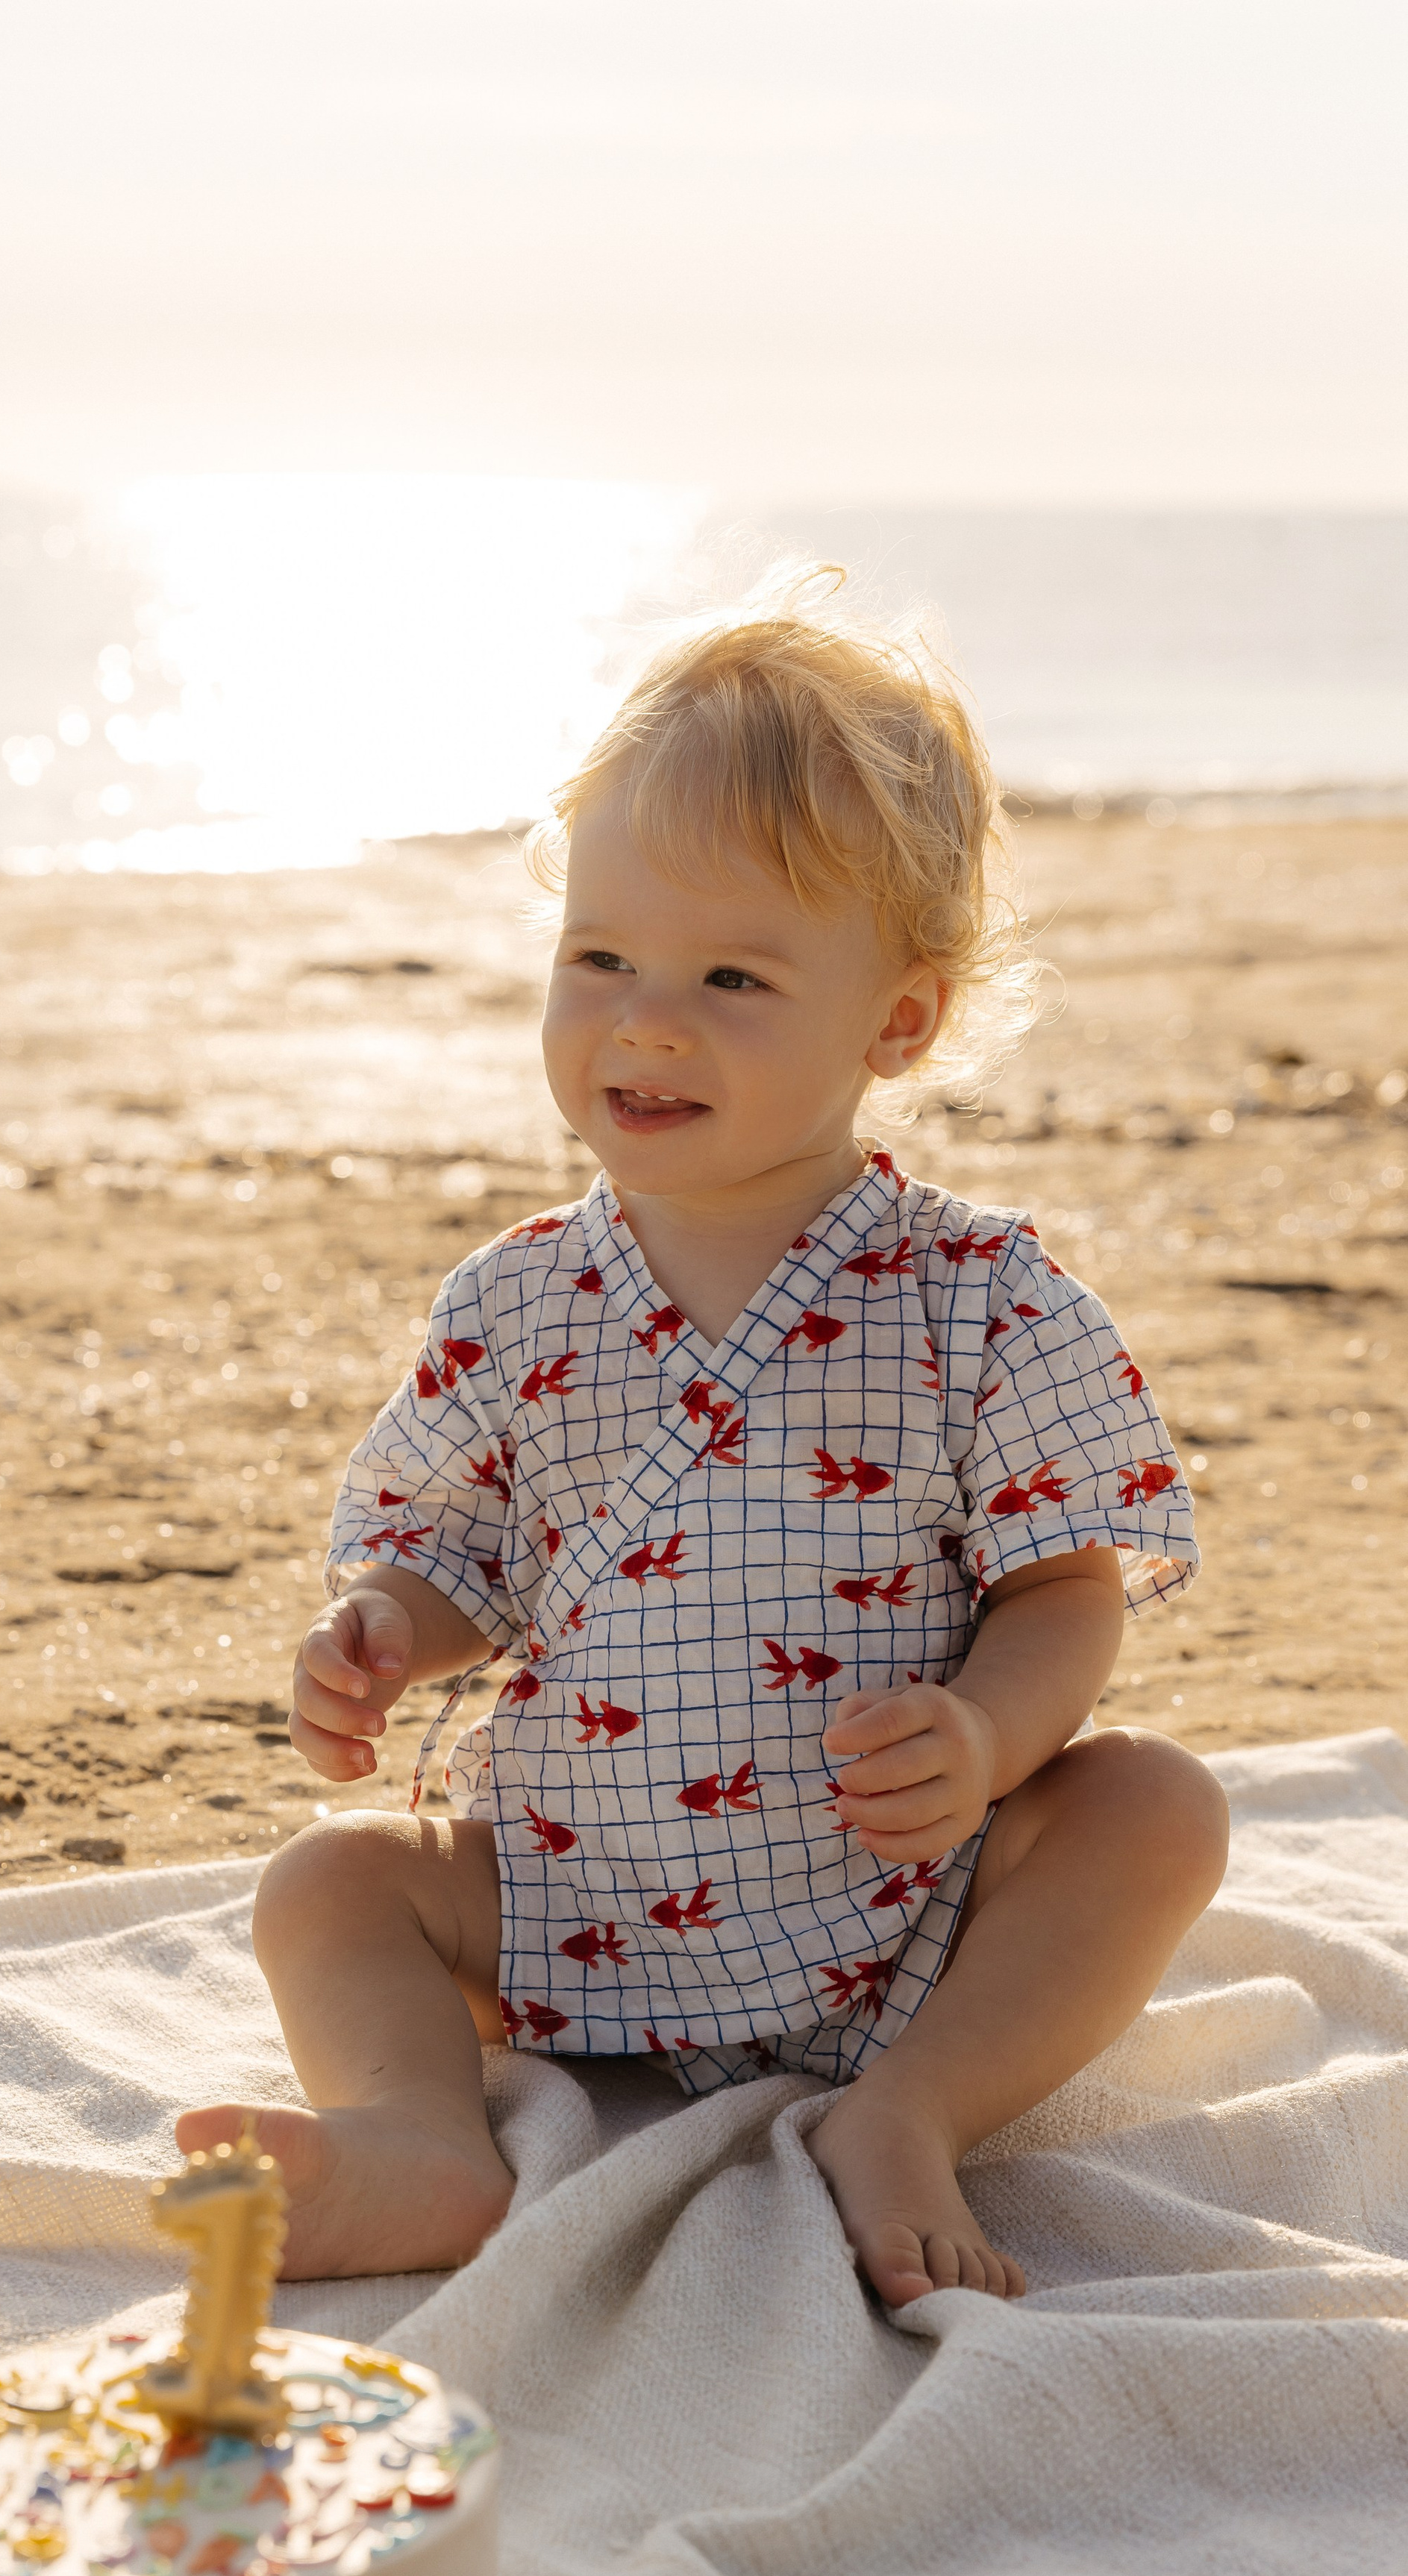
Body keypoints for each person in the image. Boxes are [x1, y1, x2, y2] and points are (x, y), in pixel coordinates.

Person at [178, 569, 1230, 2307]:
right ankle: (421, 2139)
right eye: (598, 957)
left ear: (895, 1019)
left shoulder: (977, 1295)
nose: (642, 1020)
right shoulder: (518, 1300)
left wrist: (984, 1729)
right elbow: (465, 1555)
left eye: (731, 975)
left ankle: (906, 2108)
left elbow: (1066, 1586)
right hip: (577, 1890)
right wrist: (383, 1629)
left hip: (909, 1897)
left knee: (1152, 1808)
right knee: (324, 1888)